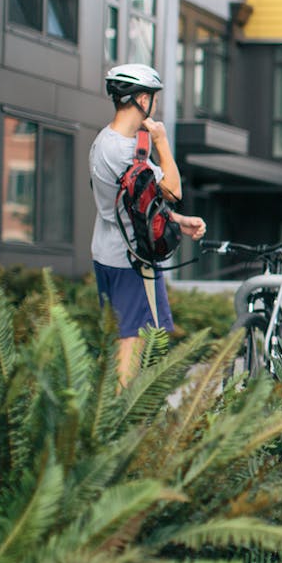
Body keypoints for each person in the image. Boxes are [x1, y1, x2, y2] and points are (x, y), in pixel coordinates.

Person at [90, 63, 207, 387]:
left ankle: (107, 413)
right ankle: (119, 422)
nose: (154, 105)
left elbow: (139, 201)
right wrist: (163, 142)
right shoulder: (126, 150)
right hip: (132, 260)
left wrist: (178, 221)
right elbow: (173, 190)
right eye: (152, 98)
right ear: (142, 99)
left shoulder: (104, 141)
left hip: (108, 252)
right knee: (132, 339)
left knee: (117, 337)